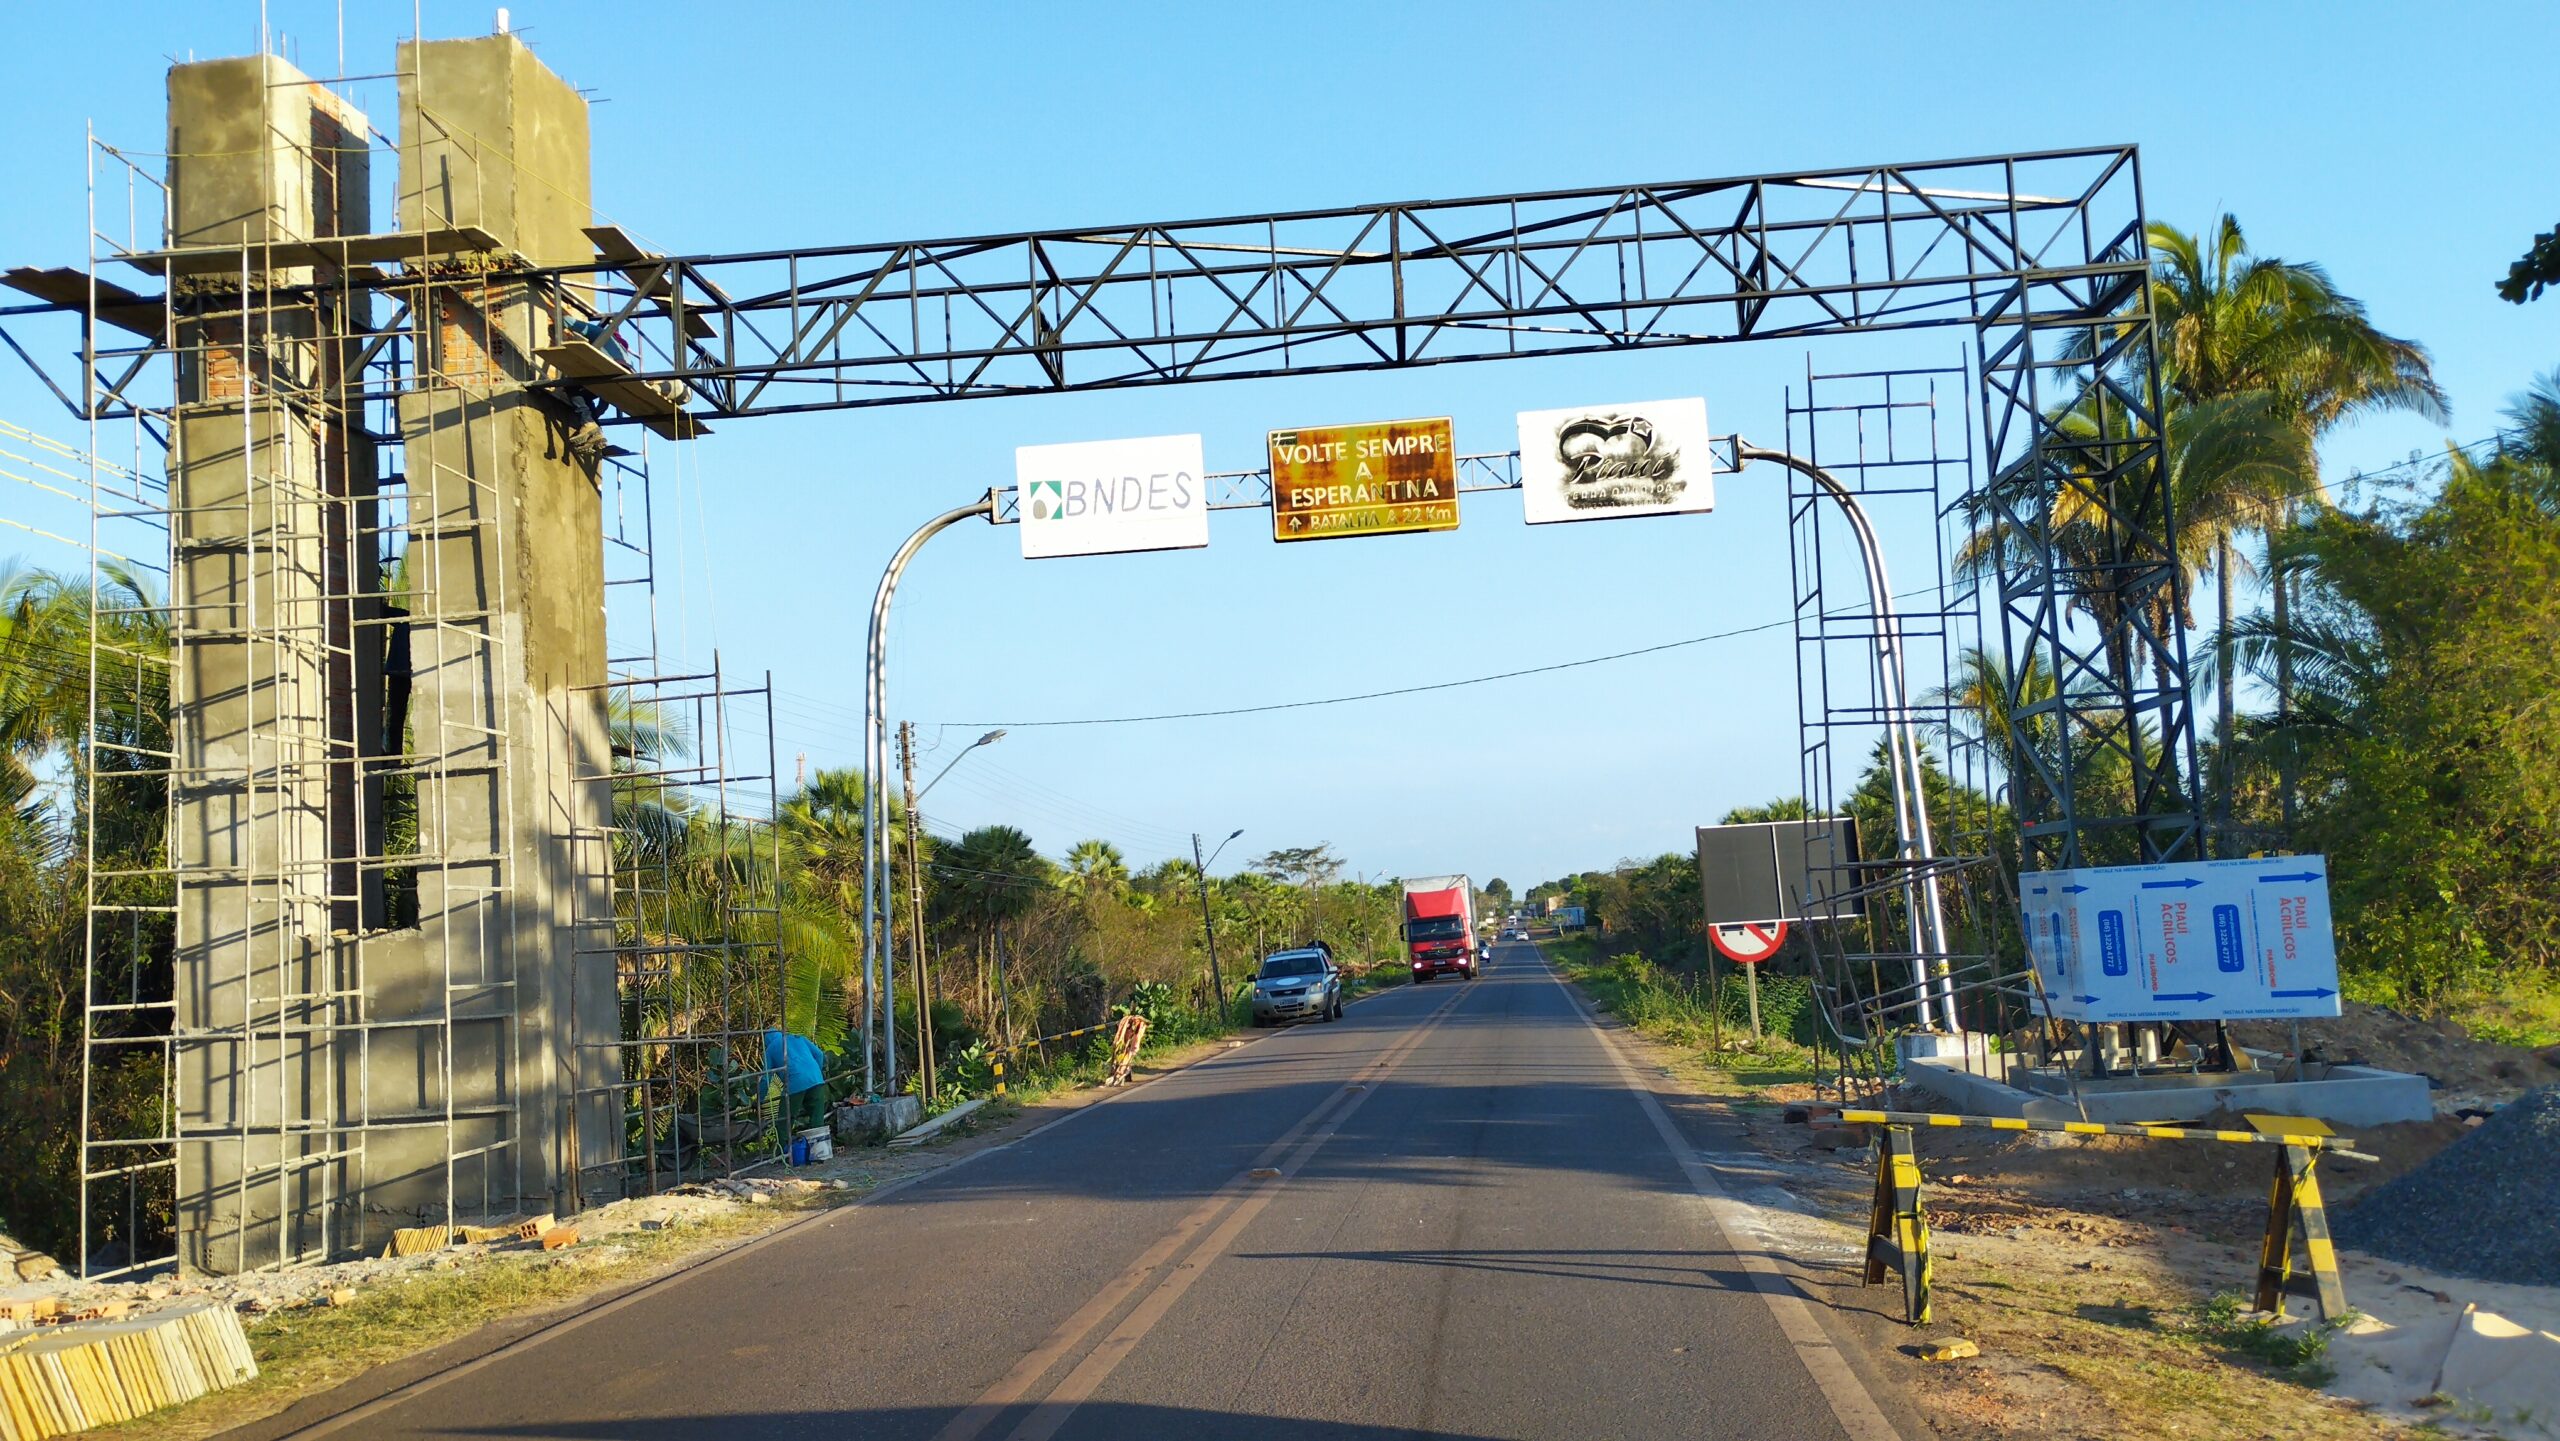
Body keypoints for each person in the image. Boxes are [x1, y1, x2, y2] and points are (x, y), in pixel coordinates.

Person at [762, 1028, 829, 1135]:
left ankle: (783, 1150)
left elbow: (766, 1078)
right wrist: (816, 1073)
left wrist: (760, 1100)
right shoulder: (799, 1038)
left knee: (784, 1122)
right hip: (817, 1080)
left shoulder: (770, 1049)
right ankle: (820, 1149)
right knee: (817, 1120)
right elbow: (820, 1055)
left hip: (794, 1085)